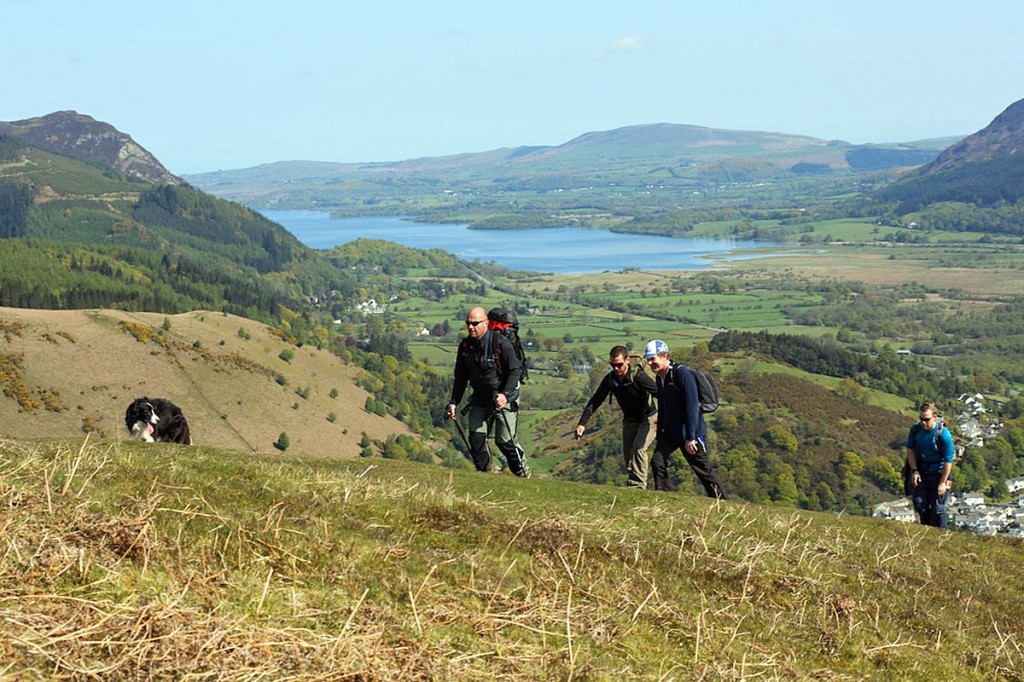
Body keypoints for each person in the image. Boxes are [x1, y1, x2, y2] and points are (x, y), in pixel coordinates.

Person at [445, 306, 530, 477]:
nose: (470, 327)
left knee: (505, 442)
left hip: (504, 397)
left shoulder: (500, 343)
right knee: (476, 438)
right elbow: (461, 377)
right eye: (468, 323)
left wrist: (505, 395)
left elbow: (515, 370)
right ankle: (485, 475)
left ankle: (522, 472)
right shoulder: (465, 347)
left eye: (475, 323)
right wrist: (453, 402)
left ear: (486, 323)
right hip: (480, 399)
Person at [645, 339, 727, 499]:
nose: (649, 363)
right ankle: (664, 499)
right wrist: (660, 432)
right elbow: (663, 405)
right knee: (657, 462)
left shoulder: (682, 374)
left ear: (664, 356)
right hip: (671, 433)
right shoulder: (660, 378)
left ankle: (722, 501)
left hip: (690, 433)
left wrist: (690, 437)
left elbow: (692, 407)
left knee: (703, 470)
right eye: (648, 359)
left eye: (652, 359)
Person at [574, 346, 658, 489]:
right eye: (613, 365)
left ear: (627, 360)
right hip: (630, 419)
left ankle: (637, 487)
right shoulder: (610, 379)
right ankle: (633, 484)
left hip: (649, 417)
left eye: (619, 365)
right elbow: (596, 400)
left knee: (639, 449)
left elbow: (659, 392)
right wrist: (582, 423)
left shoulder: (638, 376)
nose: (616, 368)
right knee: (629, 456)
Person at [906, 402, 954, 529]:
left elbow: (948, 461)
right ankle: (926, 531)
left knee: (938, 507)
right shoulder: (916, 430)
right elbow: (910, 449)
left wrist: (942, 483)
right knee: (920, 504)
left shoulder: (943, 435)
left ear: (934, 416)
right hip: (922, 470)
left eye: (926, 420)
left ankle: (941, 535)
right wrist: (914, 470)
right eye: (921, 419)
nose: (923, 423)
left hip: (939, 471)